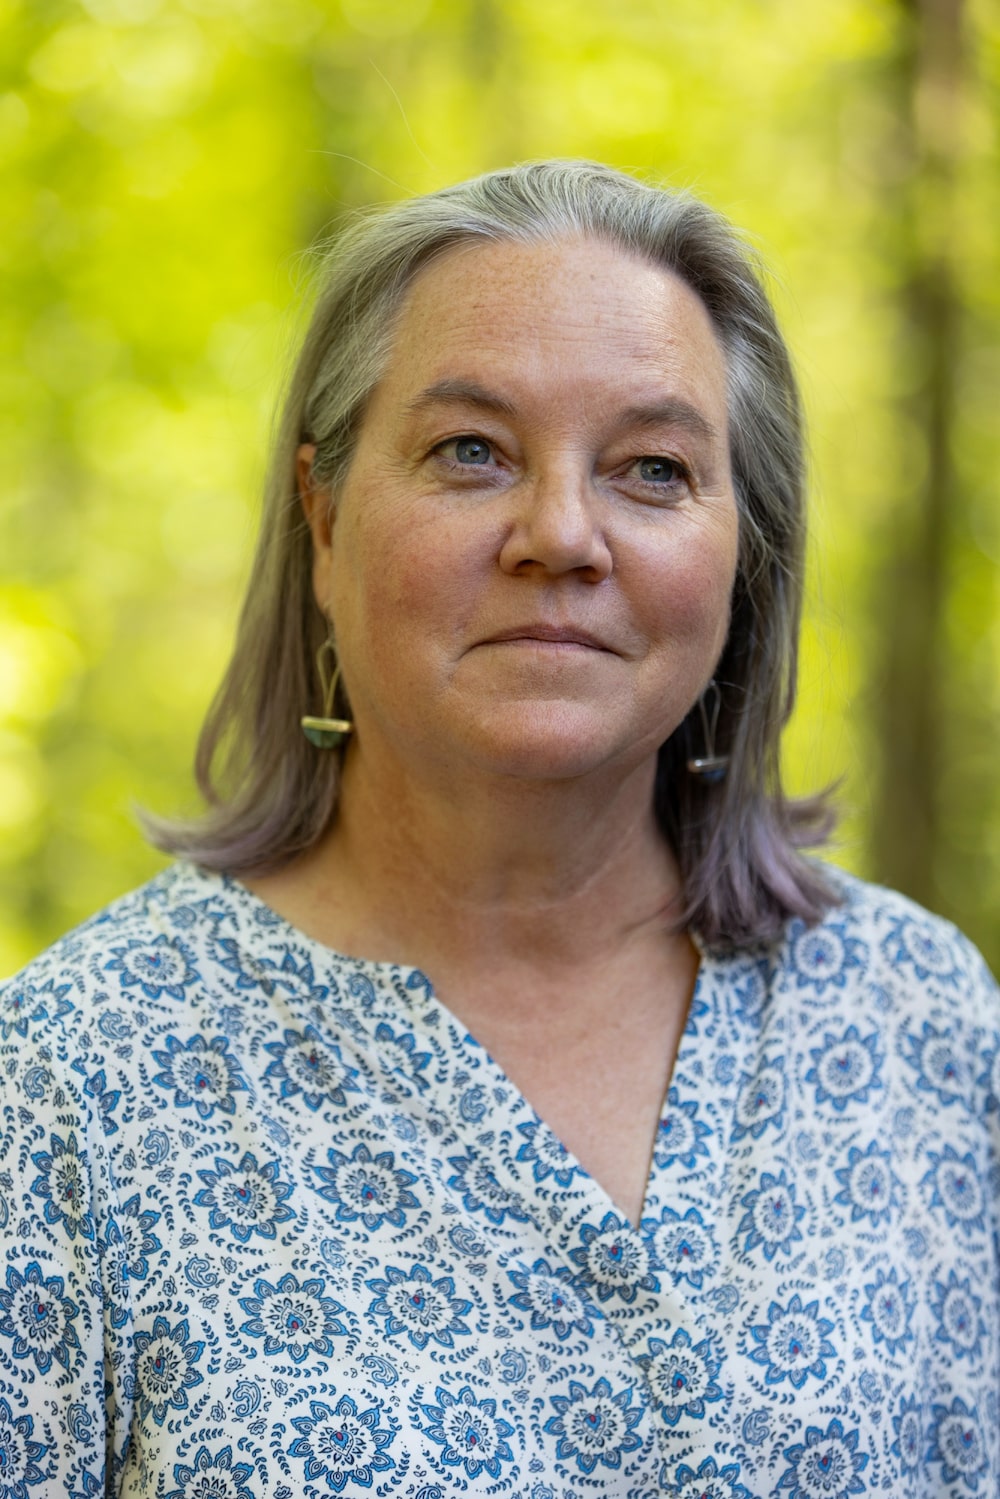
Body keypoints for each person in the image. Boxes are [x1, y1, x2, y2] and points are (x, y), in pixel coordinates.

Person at [0, 160, 996, 1499]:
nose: (562, 533)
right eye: (472, 451)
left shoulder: (920, 1021)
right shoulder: (72, 1081)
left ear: (744, 555)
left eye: (652, 469)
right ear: (323, 514)